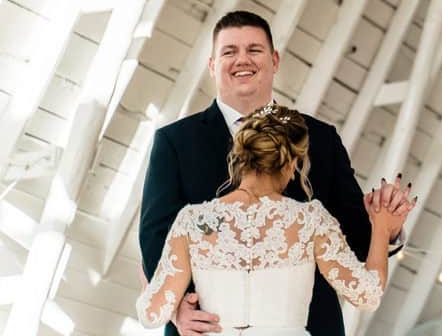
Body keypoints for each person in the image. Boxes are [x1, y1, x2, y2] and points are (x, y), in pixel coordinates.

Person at [139, 11, 413, 336]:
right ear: (213, 65)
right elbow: (154, 237)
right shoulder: (175, 141)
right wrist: (177, 310)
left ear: (274, 59)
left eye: (254, 49)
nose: (242, 59)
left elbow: (355, 235)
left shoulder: (320, 138)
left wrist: (389, 231)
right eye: (229, 51)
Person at [136, 104, 407, 334]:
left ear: (239, 157)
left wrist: (147, 282)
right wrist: (381, 228)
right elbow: (367, 294)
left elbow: (151, 313)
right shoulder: (309, 221)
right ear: (292, 164)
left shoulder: (194, 221)